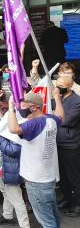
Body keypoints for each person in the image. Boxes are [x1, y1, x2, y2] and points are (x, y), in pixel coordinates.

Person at [8, 91, 64, 228]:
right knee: (53, 217)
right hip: (49, 178)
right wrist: (57, 97)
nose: (20, 107)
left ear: (34, 107)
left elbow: (13, 128)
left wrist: (11, 107)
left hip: (36, 181)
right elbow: (61, 116)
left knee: (46, 221)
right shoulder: (50, 119)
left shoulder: (34, 124)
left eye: (23, 104)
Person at [0, 133, 30, 228]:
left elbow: (14, 150)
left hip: (12, 168)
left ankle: (25, 226)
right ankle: (7, 216)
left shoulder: (15, 126)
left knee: (16, 199)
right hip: (6, 166)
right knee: (6, 192)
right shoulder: (8, 124)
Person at [54, 76, 80, 217]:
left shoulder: (77, 101)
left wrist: (57, 100)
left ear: (69, 86)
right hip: (58, 143)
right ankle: (67, 198)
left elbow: (63, 120)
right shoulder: (60, 98)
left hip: (71, 145)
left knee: (73, 177)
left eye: (61, 85)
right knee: (62, 176)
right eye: (57, 84)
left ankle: (77, 204)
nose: (58, 88)